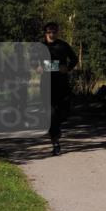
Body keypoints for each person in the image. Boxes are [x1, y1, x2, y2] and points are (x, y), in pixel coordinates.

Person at [40, 22, 78, 156]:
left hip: (62, 85)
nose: (52, 34)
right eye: (50, 31)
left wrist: (67, 68)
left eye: (55, 31)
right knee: (50, 115)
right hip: (46, 85)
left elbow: (74, 59)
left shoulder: (63, 45)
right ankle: (55, 142)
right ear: (45, 32)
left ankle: (57, 129)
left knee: (64, 112)